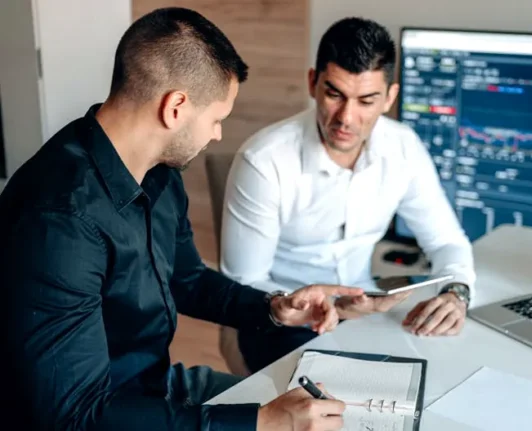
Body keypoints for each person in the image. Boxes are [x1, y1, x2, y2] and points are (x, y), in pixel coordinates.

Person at [0, 7, 363, 431]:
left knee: (329, 416)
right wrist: (261, 423)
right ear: (176, 107)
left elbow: (187, 279)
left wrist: (274, 309)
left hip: (155, 388)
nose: (217, 135)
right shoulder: (58, 220)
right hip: (103, 414)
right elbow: (75, 415)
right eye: (216, 119)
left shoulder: (158, 172)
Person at [219, 17, 476, 374]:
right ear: (313, 83)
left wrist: (456, 293)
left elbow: (447, 241)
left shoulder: (404, 147)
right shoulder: (264, 162)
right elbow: (243, 286)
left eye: (366, 100)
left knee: (446, 369)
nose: (346, 118)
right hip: (282, 320)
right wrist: (331, 306)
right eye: (334, 94)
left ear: (389, 98)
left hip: (364, 312)